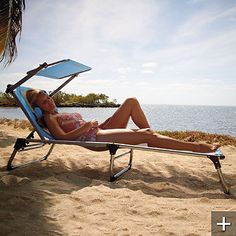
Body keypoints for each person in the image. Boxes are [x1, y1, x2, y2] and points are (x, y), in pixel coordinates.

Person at [26, 89, 220, 153]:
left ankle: (154, 137)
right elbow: (63, 138)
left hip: (98, 130)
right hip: (93, 138)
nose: (50, 102)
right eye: (44, 102)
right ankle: (197, 147)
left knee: (131, 102)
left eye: (49, 97)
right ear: (38, 108)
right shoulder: (50, 118)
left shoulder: (56, 112)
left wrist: (93, 124)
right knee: (146, 135)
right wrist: (87, 126)